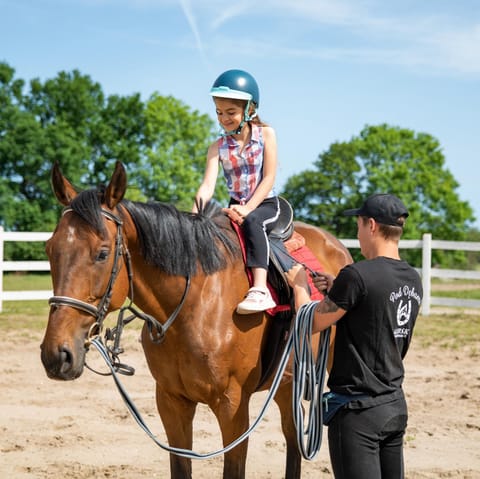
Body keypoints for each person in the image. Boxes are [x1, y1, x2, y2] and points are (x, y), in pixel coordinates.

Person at [286, 193, 423, 479]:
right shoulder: (412, 278)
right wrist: (339, 289)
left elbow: (309, 324)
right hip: (393, 404)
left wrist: (300, 287)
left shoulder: (357, 275)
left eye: (359, 225)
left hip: (357, 412)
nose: (357, 233)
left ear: (371, 225)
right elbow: (375, 310)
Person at [193, 69, 280, 314]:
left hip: (264, 205)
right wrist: (194, 214)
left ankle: (260, 289)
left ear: (250, 109)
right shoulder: (217, 147)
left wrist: (248, 208)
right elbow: (207, 186)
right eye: (219, 112)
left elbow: (269, 177)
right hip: (234, 205)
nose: (224, 118)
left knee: (253, 223)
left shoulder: (267, 135)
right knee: (210, 230)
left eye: (231, 112)